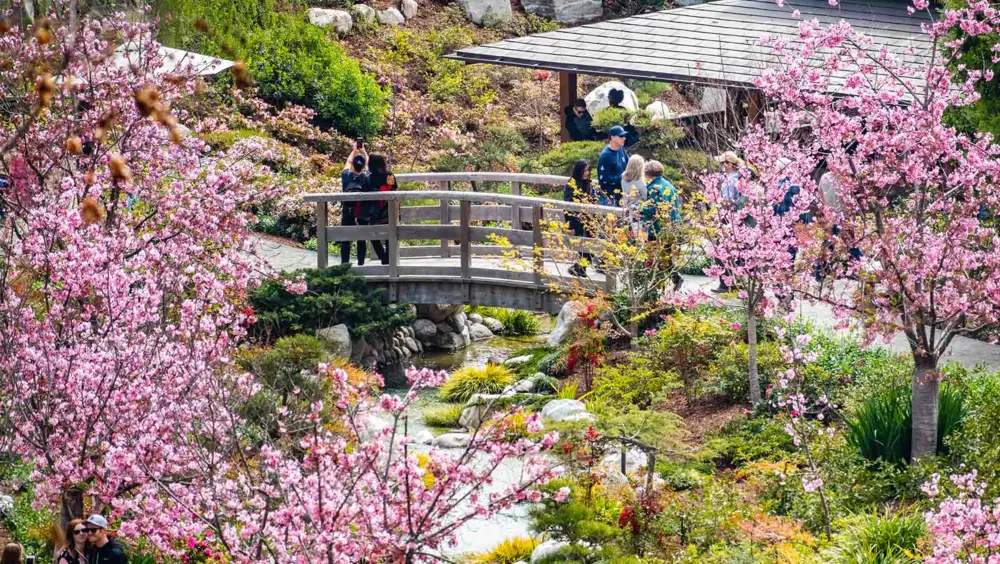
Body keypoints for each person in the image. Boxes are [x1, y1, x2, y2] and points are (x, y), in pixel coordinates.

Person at [642, 160, 683, 291]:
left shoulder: (654, 188)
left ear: (647, 174)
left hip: (658, 226)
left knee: (654, 254)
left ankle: (656, 283)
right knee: (667, 253)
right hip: (672, 224)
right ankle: (674, 278)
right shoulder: (668, 184)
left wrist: (640, 209)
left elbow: (654, 208)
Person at [711, 151, 745, 293]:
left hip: (730, 215)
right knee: (729, 250)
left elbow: (734, 199)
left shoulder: (734, 179)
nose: (721, 166)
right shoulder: (730, 178)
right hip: (729, 215)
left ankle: (727, 283)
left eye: (723, 163)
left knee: (724, 250)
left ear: (730, 164)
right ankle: (731, 282)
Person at [360, 153, 395, 265]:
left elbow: (363, 193)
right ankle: (390, 257)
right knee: (391, 233)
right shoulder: (389, 175)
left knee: (373, 235)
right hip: (388, 210)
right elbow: (395, 189)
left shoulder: (368, 178)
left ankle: (382, 257)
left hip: (374, 212)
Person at [564, 159, 595, 278]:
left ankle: (580, 267)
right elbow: (568, 204)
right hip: (576, 218)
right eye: (585, 170)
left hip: (589, 218)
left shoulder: (588, 183)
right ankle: (580, 267)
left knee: (588, 243)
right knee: (582, 243)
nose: (587, 173)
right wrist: (570, 224)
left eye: (588, 170)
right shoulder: (572, 183)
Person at [340, 149, 369, 266]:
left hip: (348, 211)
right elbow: (368, 166)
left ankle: (344, 264)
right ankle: (361, 264)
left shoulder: (346, 175)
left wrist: (353, 151)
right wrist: (364, 152)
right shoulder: (366, 177)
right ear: (363, 166)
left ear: (352, 165)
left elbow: (347, 163)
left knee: (345, 238)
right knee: (361, 238)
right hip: (361, 211)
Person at [597, 126, 629, 207]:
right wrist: (621, 177)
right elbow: (603, 179)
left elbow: (629, 163)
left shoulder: (621, 149)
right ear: (613, 137)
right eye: (621, 136)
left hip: (621, 194)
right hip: (609, 198)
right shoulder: (606, 156)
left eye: (624, 136)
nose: (624, 138)